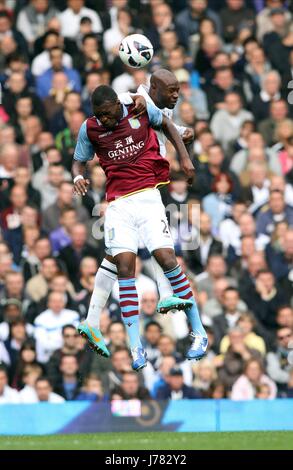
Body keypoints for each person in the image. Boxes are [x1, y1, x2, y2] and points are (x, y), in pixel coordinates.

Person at [72, 83, 208, 370]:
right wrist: (78, 177)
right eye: (100, 116)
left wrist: (184, 157)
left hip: (148, 196)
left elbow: (169, 125)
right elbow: (78, 161)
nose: (105, 121)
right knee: (124, 267)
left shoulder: (137, 106)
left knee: (166, 258)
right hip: (117, 204)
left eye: (108, 114)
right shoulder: (90, 127)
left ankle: (199, 331)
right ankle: (136, 347)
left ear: (116, 106)